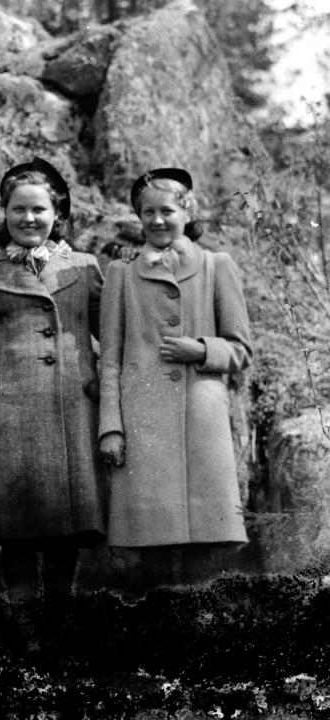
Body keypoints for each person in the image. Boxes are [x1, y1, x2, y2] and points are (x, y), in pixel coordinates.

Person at [0, 157, 106, 648]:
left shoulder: (85, 267)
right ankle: (26, 637)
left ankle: (57, 630)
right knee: (17, 530)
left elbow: (112, 340)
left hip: (71, 406)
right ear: (4, 213)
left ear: (57, 213)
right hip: (9, 415)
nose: (28, 218)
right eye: (18, 209)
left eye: (39, 209)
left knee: (66, 530)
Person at [98, 168, 252, 588]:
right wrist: (111, 427)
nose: (157, 220)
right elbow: (109, 360)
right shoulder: (121, 274)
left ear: (188, 211)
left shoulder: (216, 266)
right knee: (153, 552)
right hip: (143, 424)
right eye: (148, 212)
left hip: (203, 422)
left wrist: (201, 350)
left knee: (209, 551)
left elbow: (241, 350)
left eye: (167, 210)